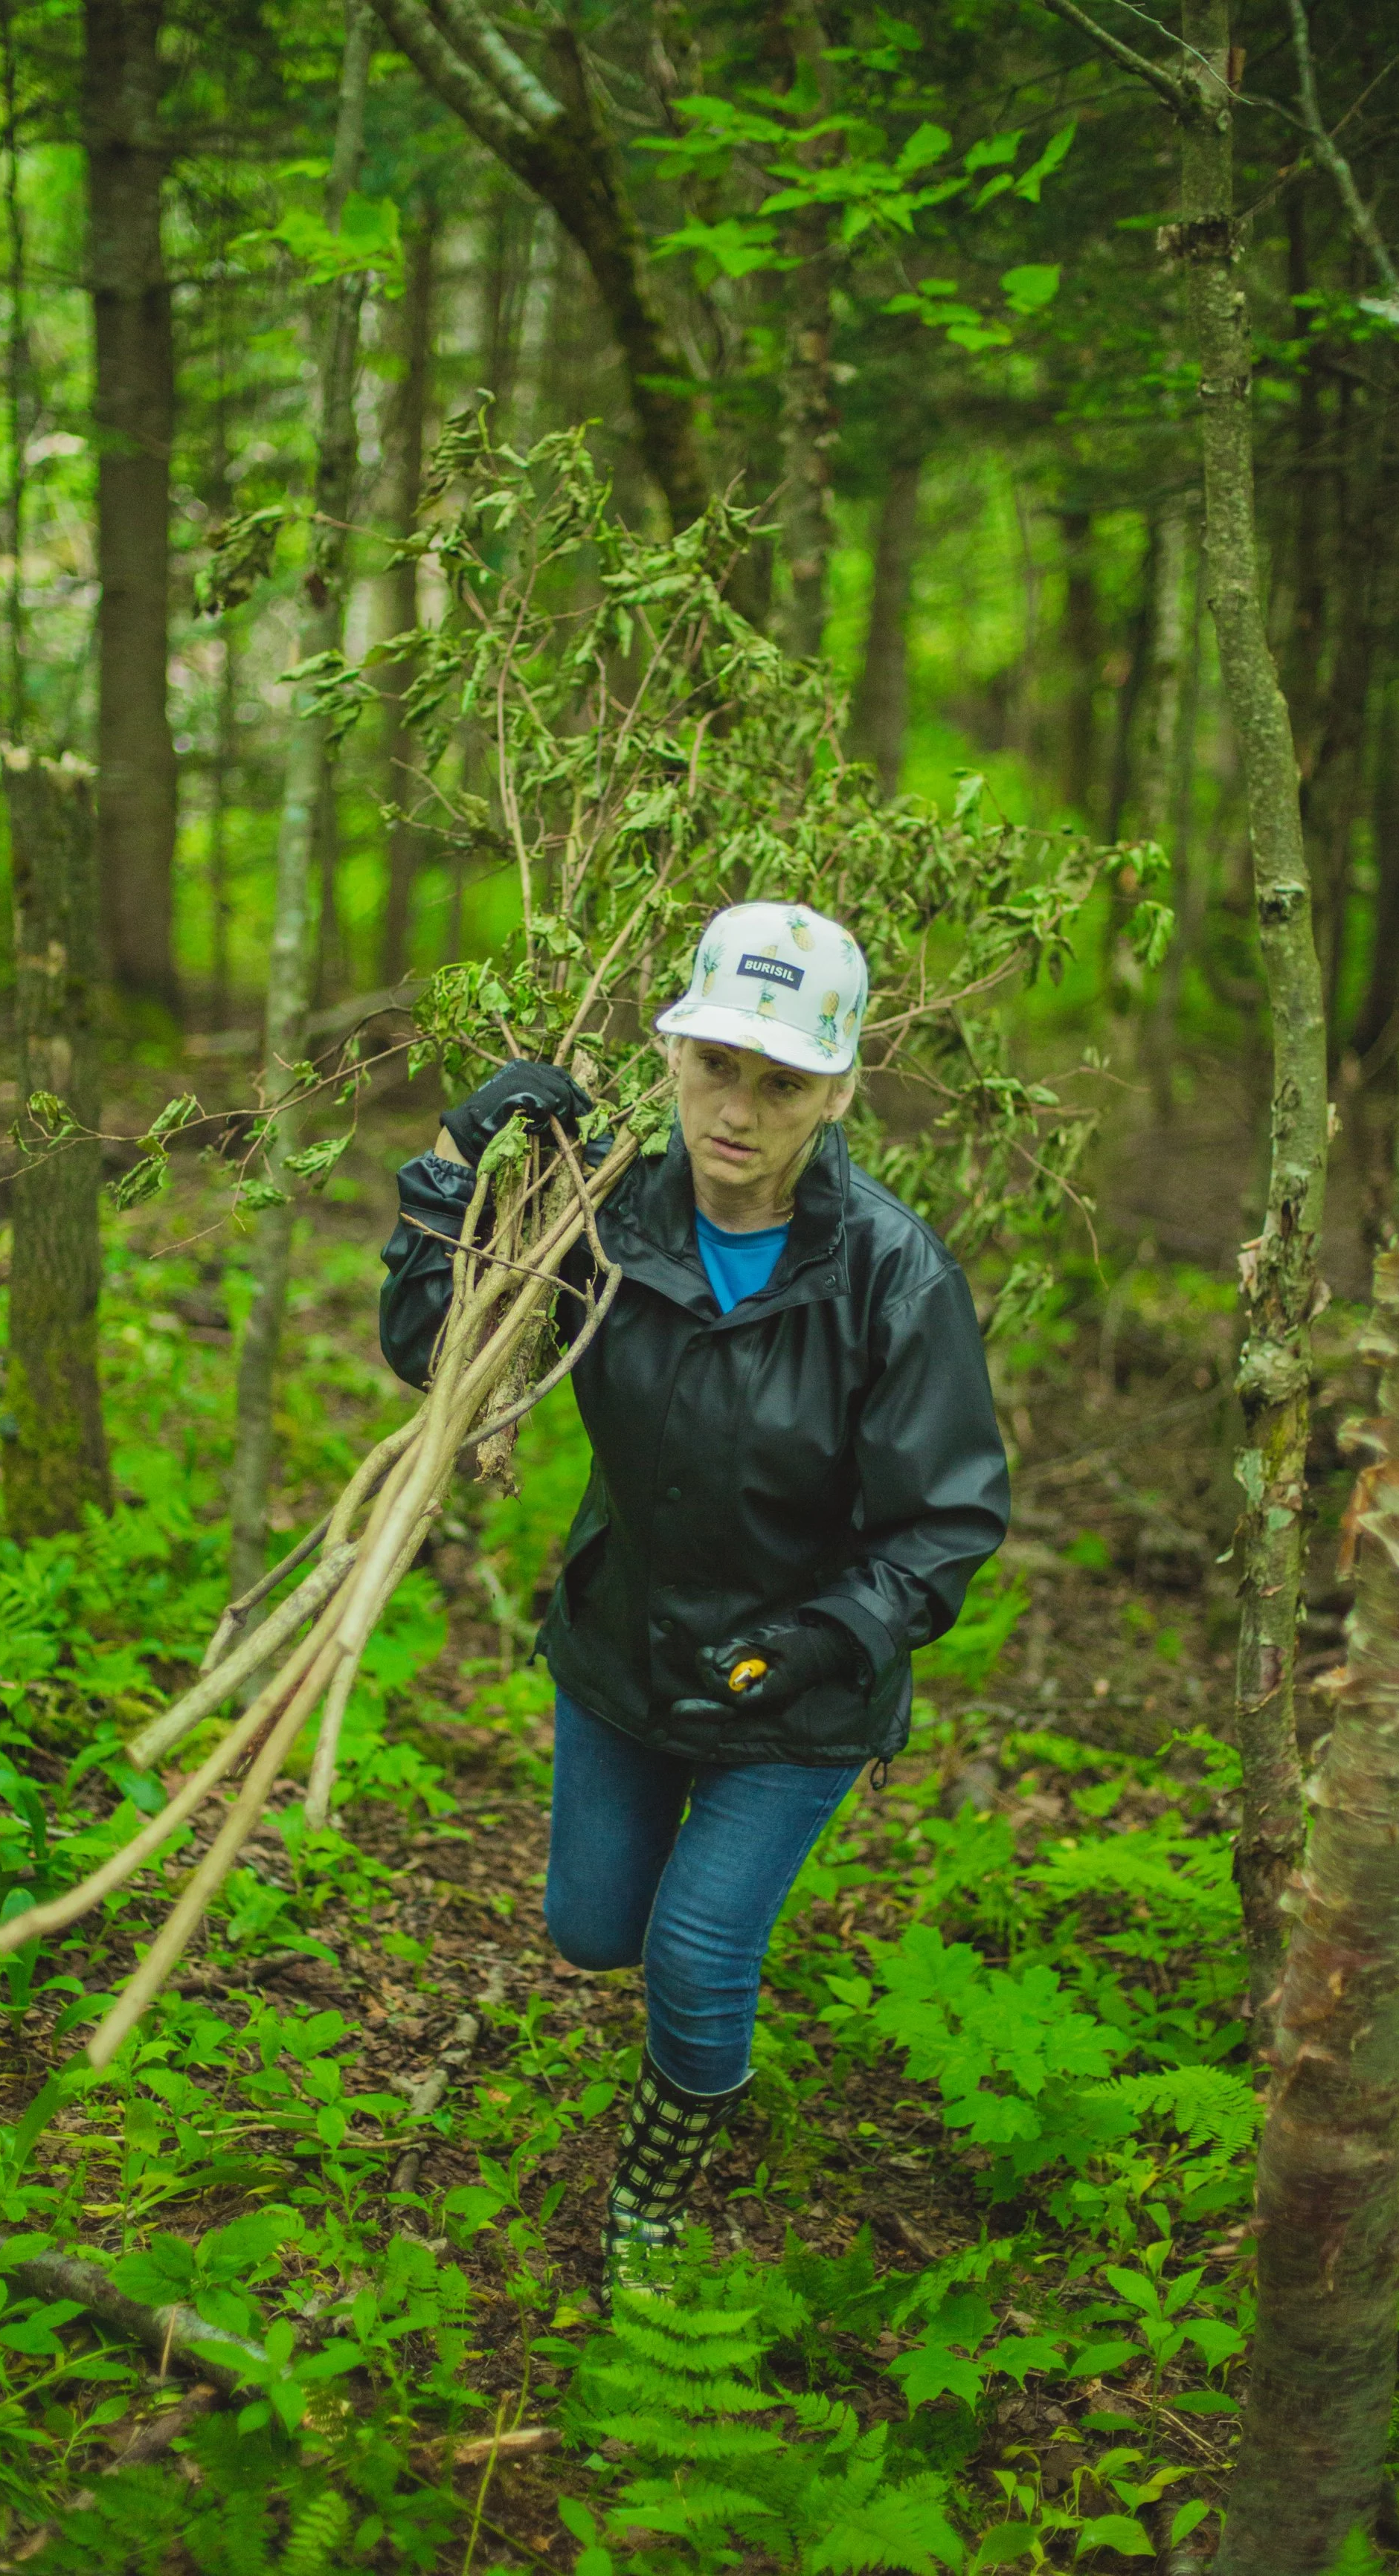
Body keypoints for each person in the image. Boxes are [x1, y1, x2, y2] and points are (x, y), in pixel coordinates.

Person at [378, 900, 1009, 2290]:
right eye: (719, 1063)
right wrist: (447, 1172)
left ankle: (654, 2198)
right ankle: (677, 1977)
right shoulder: (598, 1221)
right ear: (672, 1057)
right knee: (591, 1932)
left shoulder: (891, 1274)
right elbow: (439, 1359)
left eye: (782, 1080)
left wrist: (816, 1642)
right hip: (624, 1650)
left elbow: (950, 1516)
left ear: (836, 1092)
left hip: (799, 1685)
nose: (741, 1107)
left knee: (697, 1949)